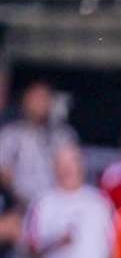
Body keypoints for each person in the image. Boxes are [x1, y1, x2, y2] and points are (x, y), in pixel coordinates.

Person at [22, 144, 115, 258]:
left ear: (81, 166)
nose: (67, 169)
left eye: (71, 162)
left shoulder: (100, 202)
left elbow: (115, 250)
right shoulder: (42, 203)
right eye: (61, 164)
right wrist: (55, 243)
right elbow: (30, 248)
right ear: (54, 168)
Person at [0, 82, 79, 210]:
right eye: (36, 98)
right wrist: (23, 203)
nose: (40, 103)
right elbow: (4, 174)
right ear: (25, 101)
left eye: (45, 98)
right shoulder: (10, 134)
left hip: (60, 204)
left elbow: (73, 171)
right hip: (20, 206)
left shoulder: (64, 134)